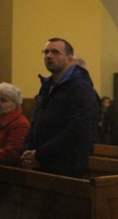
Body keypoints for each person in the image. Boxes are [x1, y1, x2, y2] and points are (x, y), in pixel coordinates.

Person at [21, 38, 99, 178]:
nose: (49, 56)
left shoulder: (81, 88)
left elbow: (76, 129)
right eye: (46, 52)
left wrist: (40, 154)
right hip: (42, 161)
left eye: (55, 52)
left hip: (66, 165)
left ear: (69, 58)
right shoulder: (47, 86)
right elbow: (36, 121)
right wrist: (27, 149)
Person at [0, 82, 31, 166]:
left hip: (12, 174)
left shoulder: (21, 124)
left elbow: (12, 153)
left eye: (3, 100)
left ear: (16, 104)